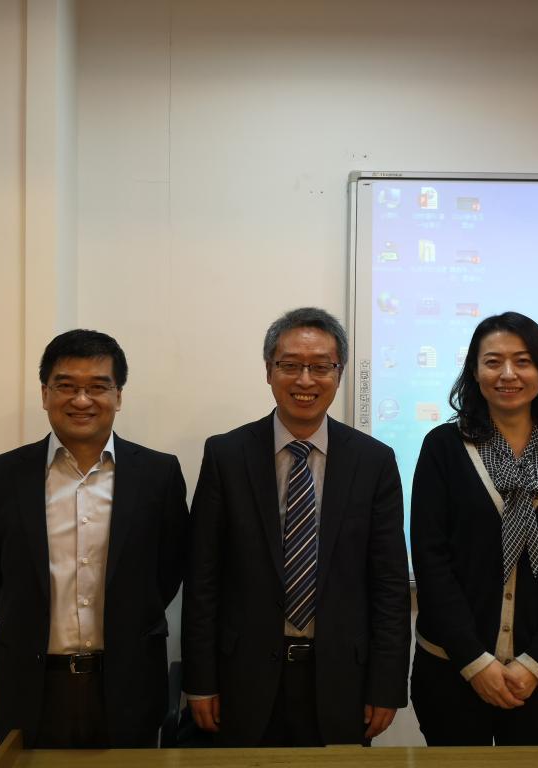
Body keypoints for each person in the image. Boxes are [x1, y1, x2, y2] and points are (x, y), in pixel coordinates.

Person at [181, 307, 411, 747]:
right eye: (290, 365)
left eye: (321, 366)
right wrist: (200, 680)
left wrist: (386, 684)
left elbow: (389, 584)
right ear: (269, 371)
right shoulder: (227, 456)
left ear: (339, 374)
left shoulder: (373, 461)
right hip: (242, 677)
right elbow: (202, 579)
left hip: (342, 678)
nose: (305, 380)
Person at [0, 330, 189, 748]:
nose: (81, 400)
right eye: (66, 386)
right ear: (44, 393)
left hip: (130, 685)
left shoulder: (158, 475)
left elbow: (169, 570)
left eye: (97, 387)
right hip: (33, 687)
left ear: (118, 396)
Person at [409, 311, 538, 746]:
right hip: (451, 669)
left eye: (523, 361)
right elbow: (430, 560)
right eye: (493, 362)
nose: (508, 374)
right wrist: (475, 661)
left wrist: (536, 664)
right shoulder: (443, 447)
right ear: (474, 372)